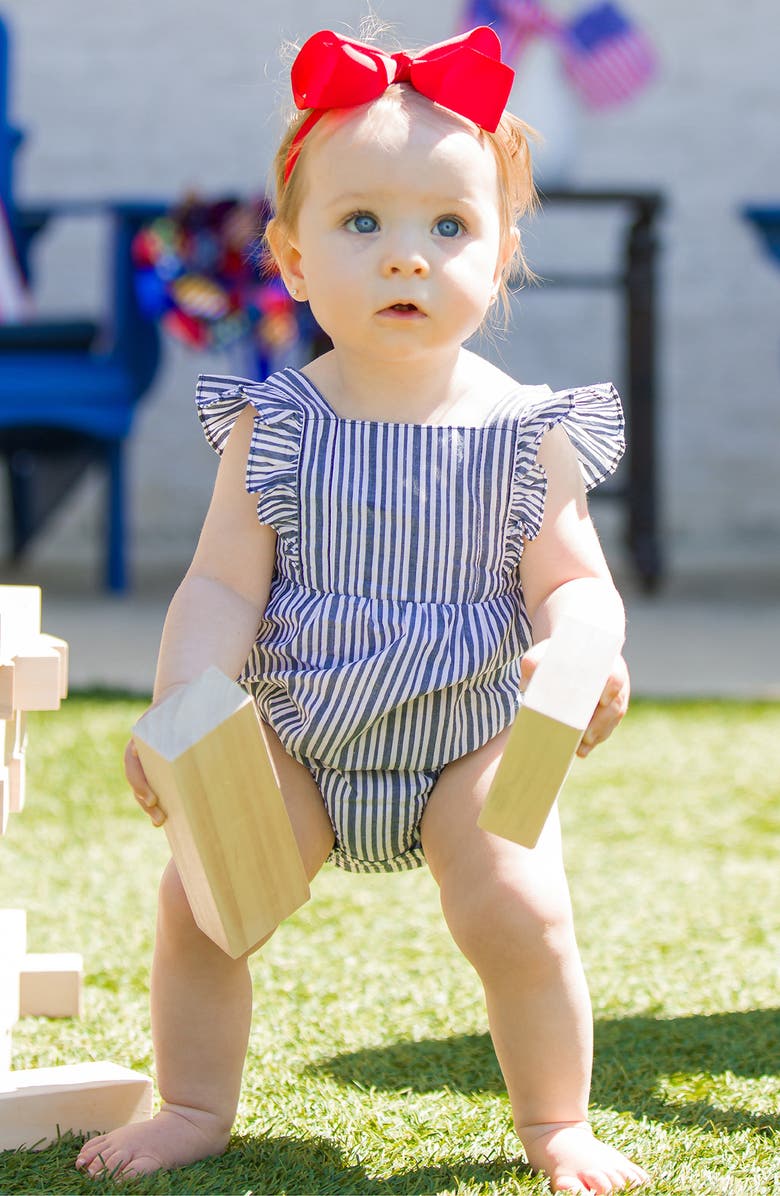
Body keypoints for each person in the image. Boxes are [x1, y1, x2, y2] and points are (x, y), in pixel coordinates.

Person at [76, 25, 648, 1195]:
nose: (406, 259)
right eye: (362, 224)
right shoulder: (276, 424)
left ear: (500, 257)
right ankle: (193, 1100)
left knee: (521, 905)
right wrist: (183, 704)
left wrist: (587, 648)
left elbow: (573, 578)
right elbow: (224, 584)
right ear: (289, 260)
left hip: (471, 732)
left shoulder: (524, 431)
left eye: (449, 227)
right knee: (204, 894)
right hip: (301, 730)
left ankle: (557, 1120)